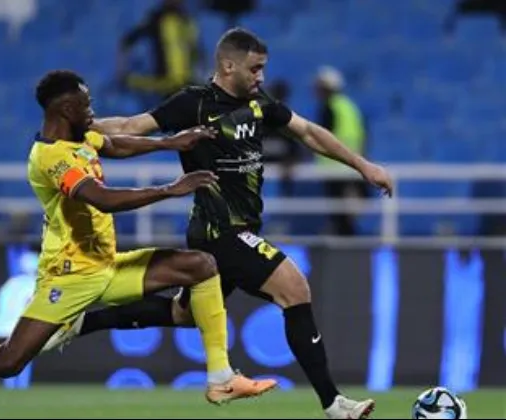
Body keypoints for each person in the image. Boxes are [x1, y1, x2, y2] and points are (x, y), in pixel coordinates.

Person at [0, 70, 277, 405]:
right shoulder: (50, 158)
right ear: (65, 108)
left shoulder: (80, 138)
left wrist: (170, 143)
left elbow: (115, 144)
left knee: (201, 266)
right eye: (86, 102)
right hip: (68, 277)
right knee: (6, 363)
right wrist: (170, 189)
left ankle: (221, 378)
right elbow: (102, 199)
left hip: (107, 267)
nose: (92, 109)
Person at [58, 28, 394, 419]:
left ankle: (82, 322)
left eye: (263, 69)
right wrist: (74, 130)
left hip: (239, 228)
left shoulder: (259, 103)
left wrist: (362, 165)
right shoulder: (194, 104)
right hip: (220, 231)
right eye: (255, 69)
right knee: (294, 289)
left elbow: (306, 132)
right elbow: (132, 126)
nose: (261, 77)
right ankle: (333, 403)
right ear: (229, 66)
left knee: (184, 314)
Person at [313, 66, 367, 236]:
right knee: (346, 212)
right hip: (351, 166)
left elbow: (320, 137)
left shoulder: (329, 107)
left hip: (335, 167)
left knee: (339, 213)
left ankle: (345, 239)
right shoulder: (349, 106)